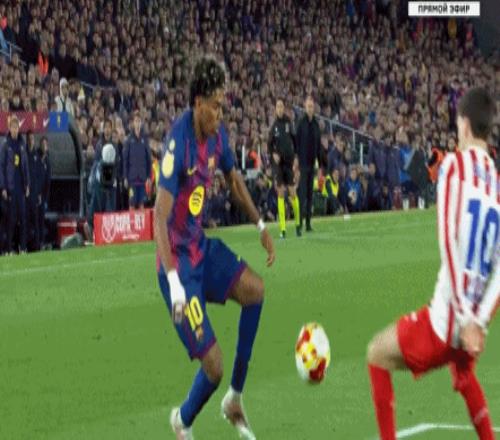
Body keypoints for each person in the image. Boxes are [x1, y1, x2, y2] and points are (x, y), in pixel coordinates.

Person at [366, 87, 499, 440]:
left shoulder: (453, 166)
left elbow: (448, 243)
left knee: (377, 353)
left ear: (465, 125)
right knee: (464, 374)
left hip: (448, 321)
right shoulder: (496, 182)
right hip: (473, 323)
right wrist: (480, 322)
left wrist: (466, 319)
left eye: (457, 124)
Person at [154, 56, 275, 440]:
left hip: (201, 249)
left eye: (223, 106)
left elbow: (234, 181)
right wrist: (174, 282)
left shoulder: (217, 136)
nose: (220, 115)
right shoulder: (178, 144)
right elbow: (159, 218)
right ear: (198, 103)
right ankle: (182, 420)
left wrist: (259, 224)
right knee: (213, 366)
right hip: (178, 269)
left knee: (255, 291)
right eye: (216, 106)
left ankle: (234, 399)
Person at [268, 98, 301, 238]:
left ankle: (298, 224)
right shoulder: (273, 126)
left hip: (289, 162)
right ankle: (282, 229)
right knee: (280, 193)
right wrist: (273, 154)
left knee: (293, 193)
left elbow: (295, 141)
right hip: (279, 165)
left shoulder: (289, 123)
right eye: (278, 106)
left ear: (284, 108)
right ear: (275, 109)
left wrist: (296, 157)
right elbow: (269, 146)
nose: (280, 109)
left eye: (281, 106)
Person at [0, 116, 30, 254]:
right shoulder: (5, 145)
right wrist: (3, 187)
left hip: (21, 187)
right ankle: (8, 248)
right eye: (12, 127)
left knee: (23, 218)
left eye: (16, 127)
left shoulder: (22, 144)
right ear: (9, 128)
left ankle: (22, 247)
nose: (14, 129)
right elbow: (1, 167)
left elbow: (25, 165)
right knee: (10, 220)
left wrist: (27, 184)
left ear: (19, 128)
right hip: (11, 188)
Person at [295, 96, 321, 232]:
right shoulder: (300, 123)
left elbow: (318, 146)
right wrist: (296, 160)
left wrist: (320, 163)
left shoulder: (316, 124)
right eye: (308, 106)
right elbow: (296, 142)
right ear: (305, 107)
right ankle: (299, 223)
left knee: (310, 195)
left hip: (312, 164)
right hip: (303, 164)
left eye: (312, 106)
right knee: (302, 195)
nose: (310, 109)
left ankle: (308, 223)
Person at [123, 111, 152, 209]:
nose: (137, 123)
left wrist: (149, 176)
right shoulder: (129, 139)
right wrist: (125, 177)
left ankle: (141, 220)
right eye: (136, 121)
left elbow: (148, 159)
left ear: (141, 123)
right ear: (133, 123)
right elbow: (125, 159)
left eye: (139, 121)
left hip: (142, 177)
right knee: (131, 203)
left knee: (141, 204)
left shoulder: (145, 139)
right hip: (132, 177)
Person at [26, 131, 41, 251]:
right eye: (29, 139)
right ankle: (26, 245)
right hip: (26, 193)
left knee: (35, 221)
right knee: (25, 220)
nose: (31, 141)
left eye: (32, 138)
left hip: (35, 193)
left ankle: (36, 246)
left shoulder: (36, 154)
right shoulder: (24, 154)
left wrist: (39, 193)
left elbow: (38, 175)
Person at [38, 137, 51, 248]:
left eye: (46, 144)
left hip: (43, 196)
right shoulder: (37, 159)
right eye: (43, 144)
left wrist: (45, 197)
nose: (44, 146)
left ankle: (41, 242)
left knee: (41, 219)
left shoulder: (47, 160)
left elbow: (48, 180)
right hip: (35, 195)